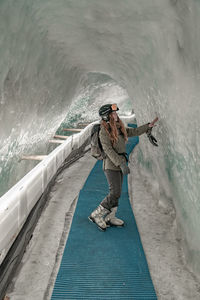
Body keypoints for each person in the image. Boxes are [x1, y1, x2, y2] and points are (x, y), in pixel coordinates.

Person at [88, 103, 158, 231]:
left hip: (119, 164)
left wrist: (147, 126)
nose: (116, 115)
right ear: (106, 116)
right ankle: (96, 215)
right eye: (113, 113)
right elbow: (108, 150)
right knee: (114, 192)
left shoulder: (118, 126)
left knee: (118, 193)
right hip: (111, 166)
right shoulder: (104, 131)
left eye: (115, 113)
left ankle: (110, 216)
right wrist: (121, 163)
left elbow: (131, 132)